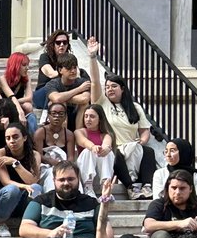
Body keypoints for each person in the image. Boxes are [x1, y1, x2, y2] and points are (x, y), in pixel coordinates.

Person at [86, 38, 155, 199]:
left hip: (133, 147)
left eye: (114, 86)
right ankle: (131, 188)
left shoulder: (135, 107)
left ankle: (147, 186)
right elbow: (95, 82)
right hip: (113, 149)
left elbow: (145, 131)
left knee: (149, 151)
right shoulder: (101, 103)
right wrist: (92, 57)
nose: (109, 89)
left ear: (122, 89)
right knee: (115, 154)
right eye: (107, 87)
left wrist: (141, 142)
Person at [0, 122, 45, 238]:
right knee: (12, 189)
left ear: (24, 137)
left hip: (21, 200)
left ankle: (30, 223)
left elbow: (33, 181)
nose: (11, 141)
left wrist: (16, 164)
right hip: (1, 198)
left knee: (37, 188)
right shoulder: (0, 153)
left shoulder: (34, 155)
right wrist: (24, 186)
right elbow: (5, 181)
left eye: (15, 137)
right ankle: (0, 224)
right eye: (8, 138)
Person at [37, 52, 92, 130]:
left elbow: (84, 99)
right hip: (59, 118)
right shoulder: (52, 84)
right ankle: (64, 137)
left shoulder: (83, 82)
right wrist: (79, 89)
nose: (73, 71)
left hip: (77, 116)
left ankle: (78, 135)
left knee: (84, 104)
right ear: (60, 70)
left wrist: (62, 97)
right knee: (59, 103)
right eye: (69, 68)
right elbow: (56, 99)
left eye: (74, 68)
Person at [73, 104, 115, 196]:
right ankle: (88, 187)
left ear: (99, 119)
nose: (88, 119)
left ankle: (106, 185)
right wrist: (93, 147)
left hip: (100, 172)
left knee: (108, 152)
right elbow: (84, 142)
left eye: (92, 116)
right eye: (86, 116)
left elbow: (107, 143)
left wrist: (105, 149)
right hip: (85, 172)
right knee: (88, 151)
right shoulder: (79, 132)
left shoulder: (105, 135)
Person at [151, 138, 197, 202]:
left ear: (183, 153)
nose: (168, 155)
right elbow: (157, 199)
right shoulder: (160, 173)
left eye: (172, 151)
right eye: (166, 151)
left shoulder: (196, 175)